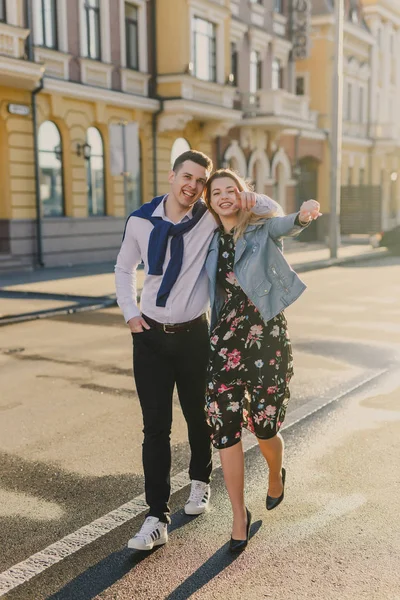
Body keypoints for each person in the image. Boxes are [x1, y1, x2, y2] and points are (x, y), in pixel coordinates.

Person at [115, 151, 272, 551]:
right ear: (172, 176)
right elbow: (123, 268)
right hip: (149, 335)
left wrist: (251, 198)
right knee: (155, 427)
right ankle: (156, 517)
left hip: (194, 336)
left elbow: (266, 210)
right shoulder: (140, 221)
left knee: (198, 415)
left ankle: (201, 481)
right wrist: (131, 314)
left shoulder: (208, 218)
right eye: (188, 177)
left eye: (200, 181)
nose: (193, 186)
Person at [203, 168, 321, 552]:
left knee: (265, 426)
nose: (223, 196)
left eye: (230, 190)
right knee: (226, 429)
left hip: (265, 339)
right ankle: (238, 516)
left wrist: (303, 216)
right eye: (216, 191)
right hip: (224, 344)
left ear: (242, 195)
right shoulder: (207, 239)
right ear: (209, 200)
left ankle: (275, 473)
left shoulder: (259, 229)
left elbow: (285, 222)